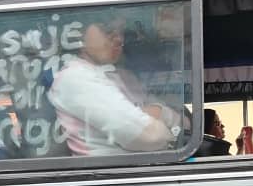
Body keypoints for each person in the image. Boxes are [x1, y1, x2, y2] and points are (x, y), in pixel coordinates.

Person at [48, 16, 182, 157]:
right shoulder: (74, 77)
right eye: (108, 30)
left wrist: (162, 114)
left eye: (121, 32)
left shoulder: (123, 76)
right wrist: (163, 117)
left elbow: (181, 121)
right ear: (79, 33)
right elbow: (150, 137)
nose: (119, 39)